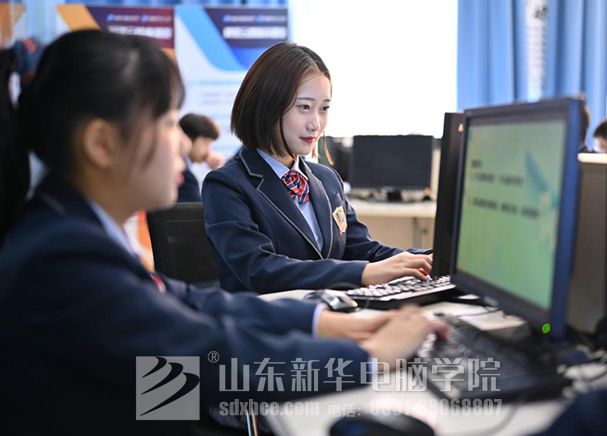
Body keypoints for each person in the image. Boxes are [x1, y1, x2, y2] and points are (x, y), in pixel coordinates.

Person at [0, 30, 448, 435]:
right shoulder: (61, 258)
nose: (183, 141)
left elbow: (192, 303)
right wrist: (369, 359)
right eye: (167, 122)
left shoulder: (73, 232)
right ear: (101, 144)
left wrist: (332, 324)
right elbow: (209, 352)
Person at [202, 42, 433, 294]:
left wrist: (424, 259)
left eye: (324, 109)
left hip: (333, 310)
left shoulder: (327, 179)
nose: (316, 123)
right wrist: (363, 273)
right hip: (269, 317)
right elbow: (260, 270)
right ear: (267, 106)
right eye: (304, 107)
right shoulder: (226, 185)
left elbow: (360, 249)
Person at [177, 112, 220, 202]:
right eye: (205, 143)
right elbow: (201, 210)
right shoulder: (185, 177)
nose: (208, 151)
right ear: (188, 139)